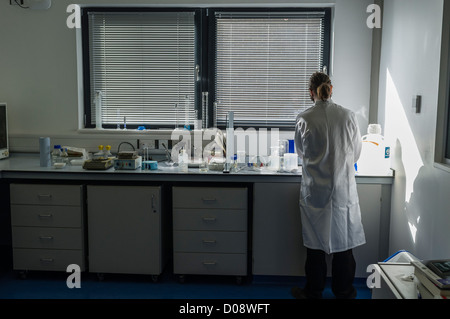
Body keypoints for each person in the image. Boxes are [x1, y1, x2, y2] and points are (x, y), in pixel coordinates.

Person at [292, 72, 365, 299]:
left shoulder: (304, 118)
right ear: (331, 89)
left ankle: (313, 292)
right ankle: (344, 291)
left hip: (315, 192)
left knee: (315, 246)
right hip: (343, 190)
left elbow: (301, 153)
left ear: (311, 92)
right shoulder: (348, 115)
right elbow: (356, 153)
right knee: (343, 244)